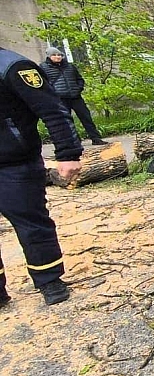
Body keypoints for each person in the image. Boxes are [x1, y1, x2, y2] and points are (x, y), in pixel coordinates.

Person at [1, 46, 83, 307]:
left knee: (32, 225)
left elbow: (53, 110)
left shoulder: (13, 66)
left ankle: (49, 280)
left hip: (14, 164)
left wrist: (68, 153)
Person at [40, 46, 107, 145]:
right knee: (67, 121)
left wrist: (78, 88)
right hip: (60, 98)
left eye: (59, 55)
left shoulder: (70, 66)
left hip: (75, 97)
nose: (58, 57)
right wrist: (53, 93)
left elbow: (79, 79)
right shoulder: (43, 68)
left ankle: (95, 138)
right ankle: (75, 140)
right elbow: (44, 83)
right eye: (54, 55)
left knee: (86, 117)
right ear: (49, 56)